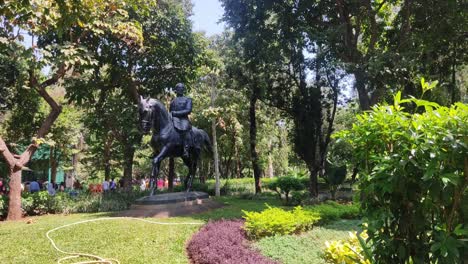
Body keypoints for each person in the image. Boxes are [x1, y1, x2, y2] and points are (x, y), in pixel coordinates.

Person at [170, 83, 192, 158]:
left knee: (184, 129)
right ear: (176, 90)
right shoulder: (173, 101)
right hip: (173, 118)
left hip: (183, 119)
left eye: (181, 88)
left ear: (183, 90)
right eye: (178, 88)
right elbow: (170, 111)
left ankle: (186, 149)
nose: (180, 90)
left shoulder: (188, 99)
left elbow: (188, 110)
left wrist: (175, 113)